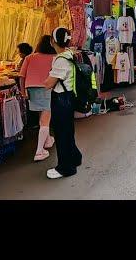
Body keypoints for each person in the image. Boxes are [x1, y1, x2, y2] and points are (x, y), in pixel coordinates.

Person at [43, 27, 82, 179]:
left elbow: (49, 83)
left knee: (61, 134)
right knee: (67, 131)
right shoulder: (69, 55)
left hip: (61, 100)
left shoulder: (61, 60)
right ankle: (74, 157)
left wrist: (45, 80)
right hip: (68, 98)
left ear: (53, 41)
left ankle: (66, 167)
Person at [19, 35, 56, 162]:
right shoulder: (54, 58)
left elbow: (21, 76)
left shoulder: (29, 58)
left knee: (42, 115)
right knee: (46, 119)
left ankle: (48, 140)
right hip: (46, 88)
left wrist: (23, 91)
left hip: (31, 88)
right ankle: (39, 151)